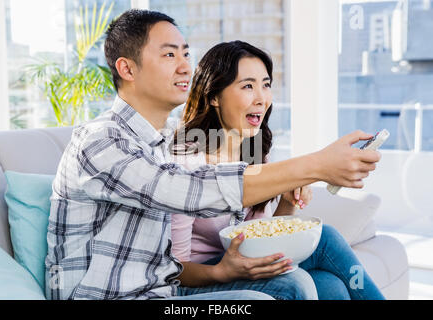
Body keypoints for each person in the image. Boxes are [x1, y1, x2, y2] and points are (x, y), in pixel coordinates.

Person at [45, 9, 382, 300]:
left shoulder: (163, 141)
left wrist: (289, 196)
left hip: (163, 287)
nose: (184, 66)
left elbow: (248, 232)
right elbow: (186, 190)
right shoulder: (101, 141)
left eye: (186, 54)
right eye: (168, 55)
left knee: (330, 285)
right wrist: (315, 166)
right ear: (127, 69)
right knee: (293, 285)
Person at [170, 40, 385, 300]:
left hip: (244, 263)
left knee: (331, 286)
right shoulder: (186, 162)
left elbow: (259, 235)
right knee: (322, 243)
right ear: (214, 96)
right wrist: (222, 271)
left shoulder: (255, 150)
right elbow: (175, 270)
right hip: (200, 277)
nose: (262, 98)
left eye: (266, 85)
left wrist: (287, 202)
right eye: (248, 86)